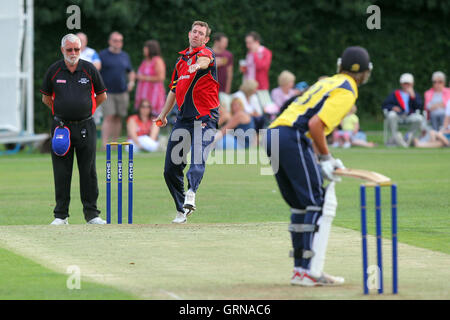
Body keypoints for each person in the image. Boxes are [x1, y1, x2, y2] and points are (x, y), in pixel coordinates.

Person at [266, 46, 373, 286]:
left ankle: (300, 271)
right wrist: (326, 158)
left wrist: (324, 156)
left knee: (301, 206)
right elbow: (315, 125)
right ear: (366, 72)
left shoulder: (329, 82)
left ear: (339, 65)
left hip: (274, 135)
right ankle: (310, 272)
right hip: (292, 137)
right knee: (316, 202)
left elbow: (309, 123)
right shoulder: (348, 90)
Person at [155, 21, 220, 224]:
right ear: (189, 34)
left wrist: (196, 65)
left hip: (205, 116)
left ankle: (191, 192)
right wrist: (163, 114)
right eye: (194, 31)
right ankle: (182, 209)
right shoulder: (180, 61)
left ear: (206, 39)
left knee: (198, 157)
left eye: (201, 33)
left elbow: (204, 62)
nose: (196, 35)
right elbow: (174, 90)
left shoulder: (206, 53)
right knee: (170, 169)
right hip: (183, 118)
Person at [40, 33, 107, 225]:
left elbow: (102, 95)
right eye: (69, 49)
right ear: (62, 50)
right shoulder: (54, 70)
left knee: (88, 171)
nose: (73, 53)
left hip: (86, 125)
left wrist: (88, 109)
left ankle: (92, 214)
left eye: (76, 49)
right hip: (62, 128)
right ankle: (61, 215)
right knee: (62, 171)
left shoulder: (89, 69)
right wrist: (60, 111)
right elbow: (46, 98)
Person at [99, 31, 136, 149]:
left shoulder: (124, 56)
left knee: (118, 117)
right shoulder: (103, 55)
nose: (118, 43)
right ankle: (104, 145)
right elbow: (96, 72)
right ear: (110, 41)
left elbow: (131, 71)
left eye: (120, 40)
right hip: (107, 92)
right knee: (108, 117)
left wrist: (131, 82)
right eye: (115, 40)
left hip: (122, 92)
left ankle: (114, 144)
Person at [382, 73, 423, 147]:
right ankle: (396, 137)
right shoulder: (395, 94)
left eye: (408, 84)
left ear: (412, 84)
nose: (406, 85)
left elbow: (419, 107)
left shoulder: (415, 95)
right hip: (398, 116)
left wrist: (413, 97)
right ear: (401, 84)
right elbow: (385, 104)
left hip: (409, 116)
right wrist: (392, 107)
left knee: (419, 118)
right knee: (391, 115)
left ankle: (408, 137)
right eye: (405, 83)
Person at [76, 32, 103, 126]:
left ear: (86, 41)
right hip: (75, 90)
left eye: (82, 40)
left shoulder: (91, 52)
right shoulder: (71, 52)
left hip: (90, 90)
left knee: (92, 117)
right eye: (78, 40)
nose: (80, 42)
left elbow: (97, 66)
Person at [134, 40, 166, 117]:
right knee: (143, 114)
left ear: (151, 49)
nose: (144, 50)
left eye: (146, 48)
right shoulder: (145, 61)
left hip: (153, 92)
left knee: (152, 114)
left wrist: (144, 78)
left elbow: (161, 77)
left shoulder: (157, 60)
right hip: (143, 92)